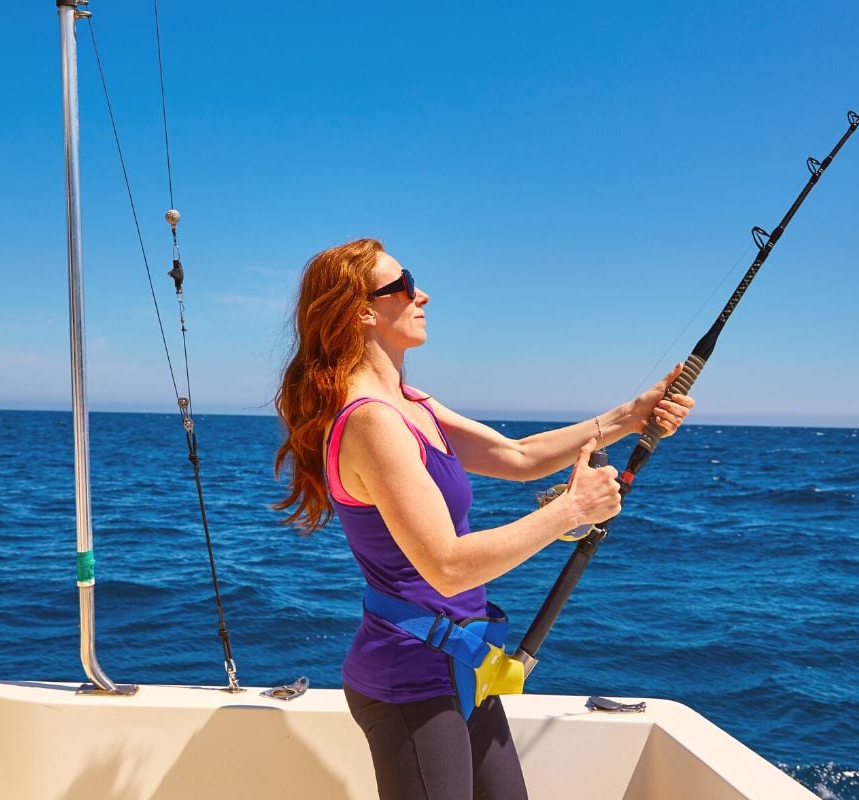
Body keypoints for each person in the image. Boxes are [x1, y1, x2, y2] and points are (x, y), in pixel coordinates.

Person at [274, 237, 694, 800]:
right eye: (402, 285)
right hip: (410, 679)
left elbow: (517, 458)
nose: (422, 293)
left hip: (465, 666)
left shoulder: (412, 404)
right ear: (362, 311)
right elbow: (447, 567)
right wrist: (572, 509)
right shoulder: (371, 421)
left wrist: (631, 414)